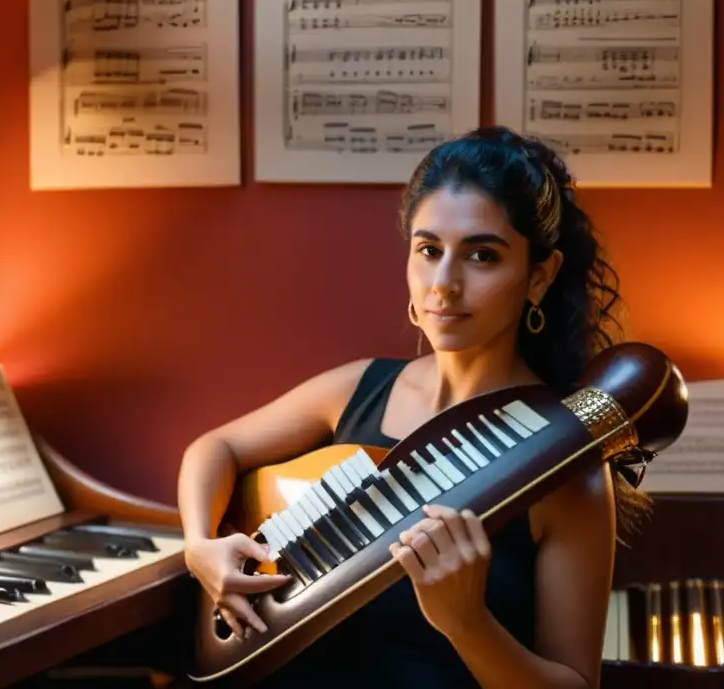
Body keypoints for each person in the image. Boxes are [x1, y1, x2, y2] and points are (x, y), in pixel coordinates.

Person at [177, 126, 649, 688]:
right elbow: (215, 448)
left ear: (538, 277)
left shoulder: (562, 462)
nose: (443, 285)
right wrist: (199, 546)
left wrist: (466, 622)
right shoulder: (359, 388)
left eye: (482, 255)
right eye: (429, 250)